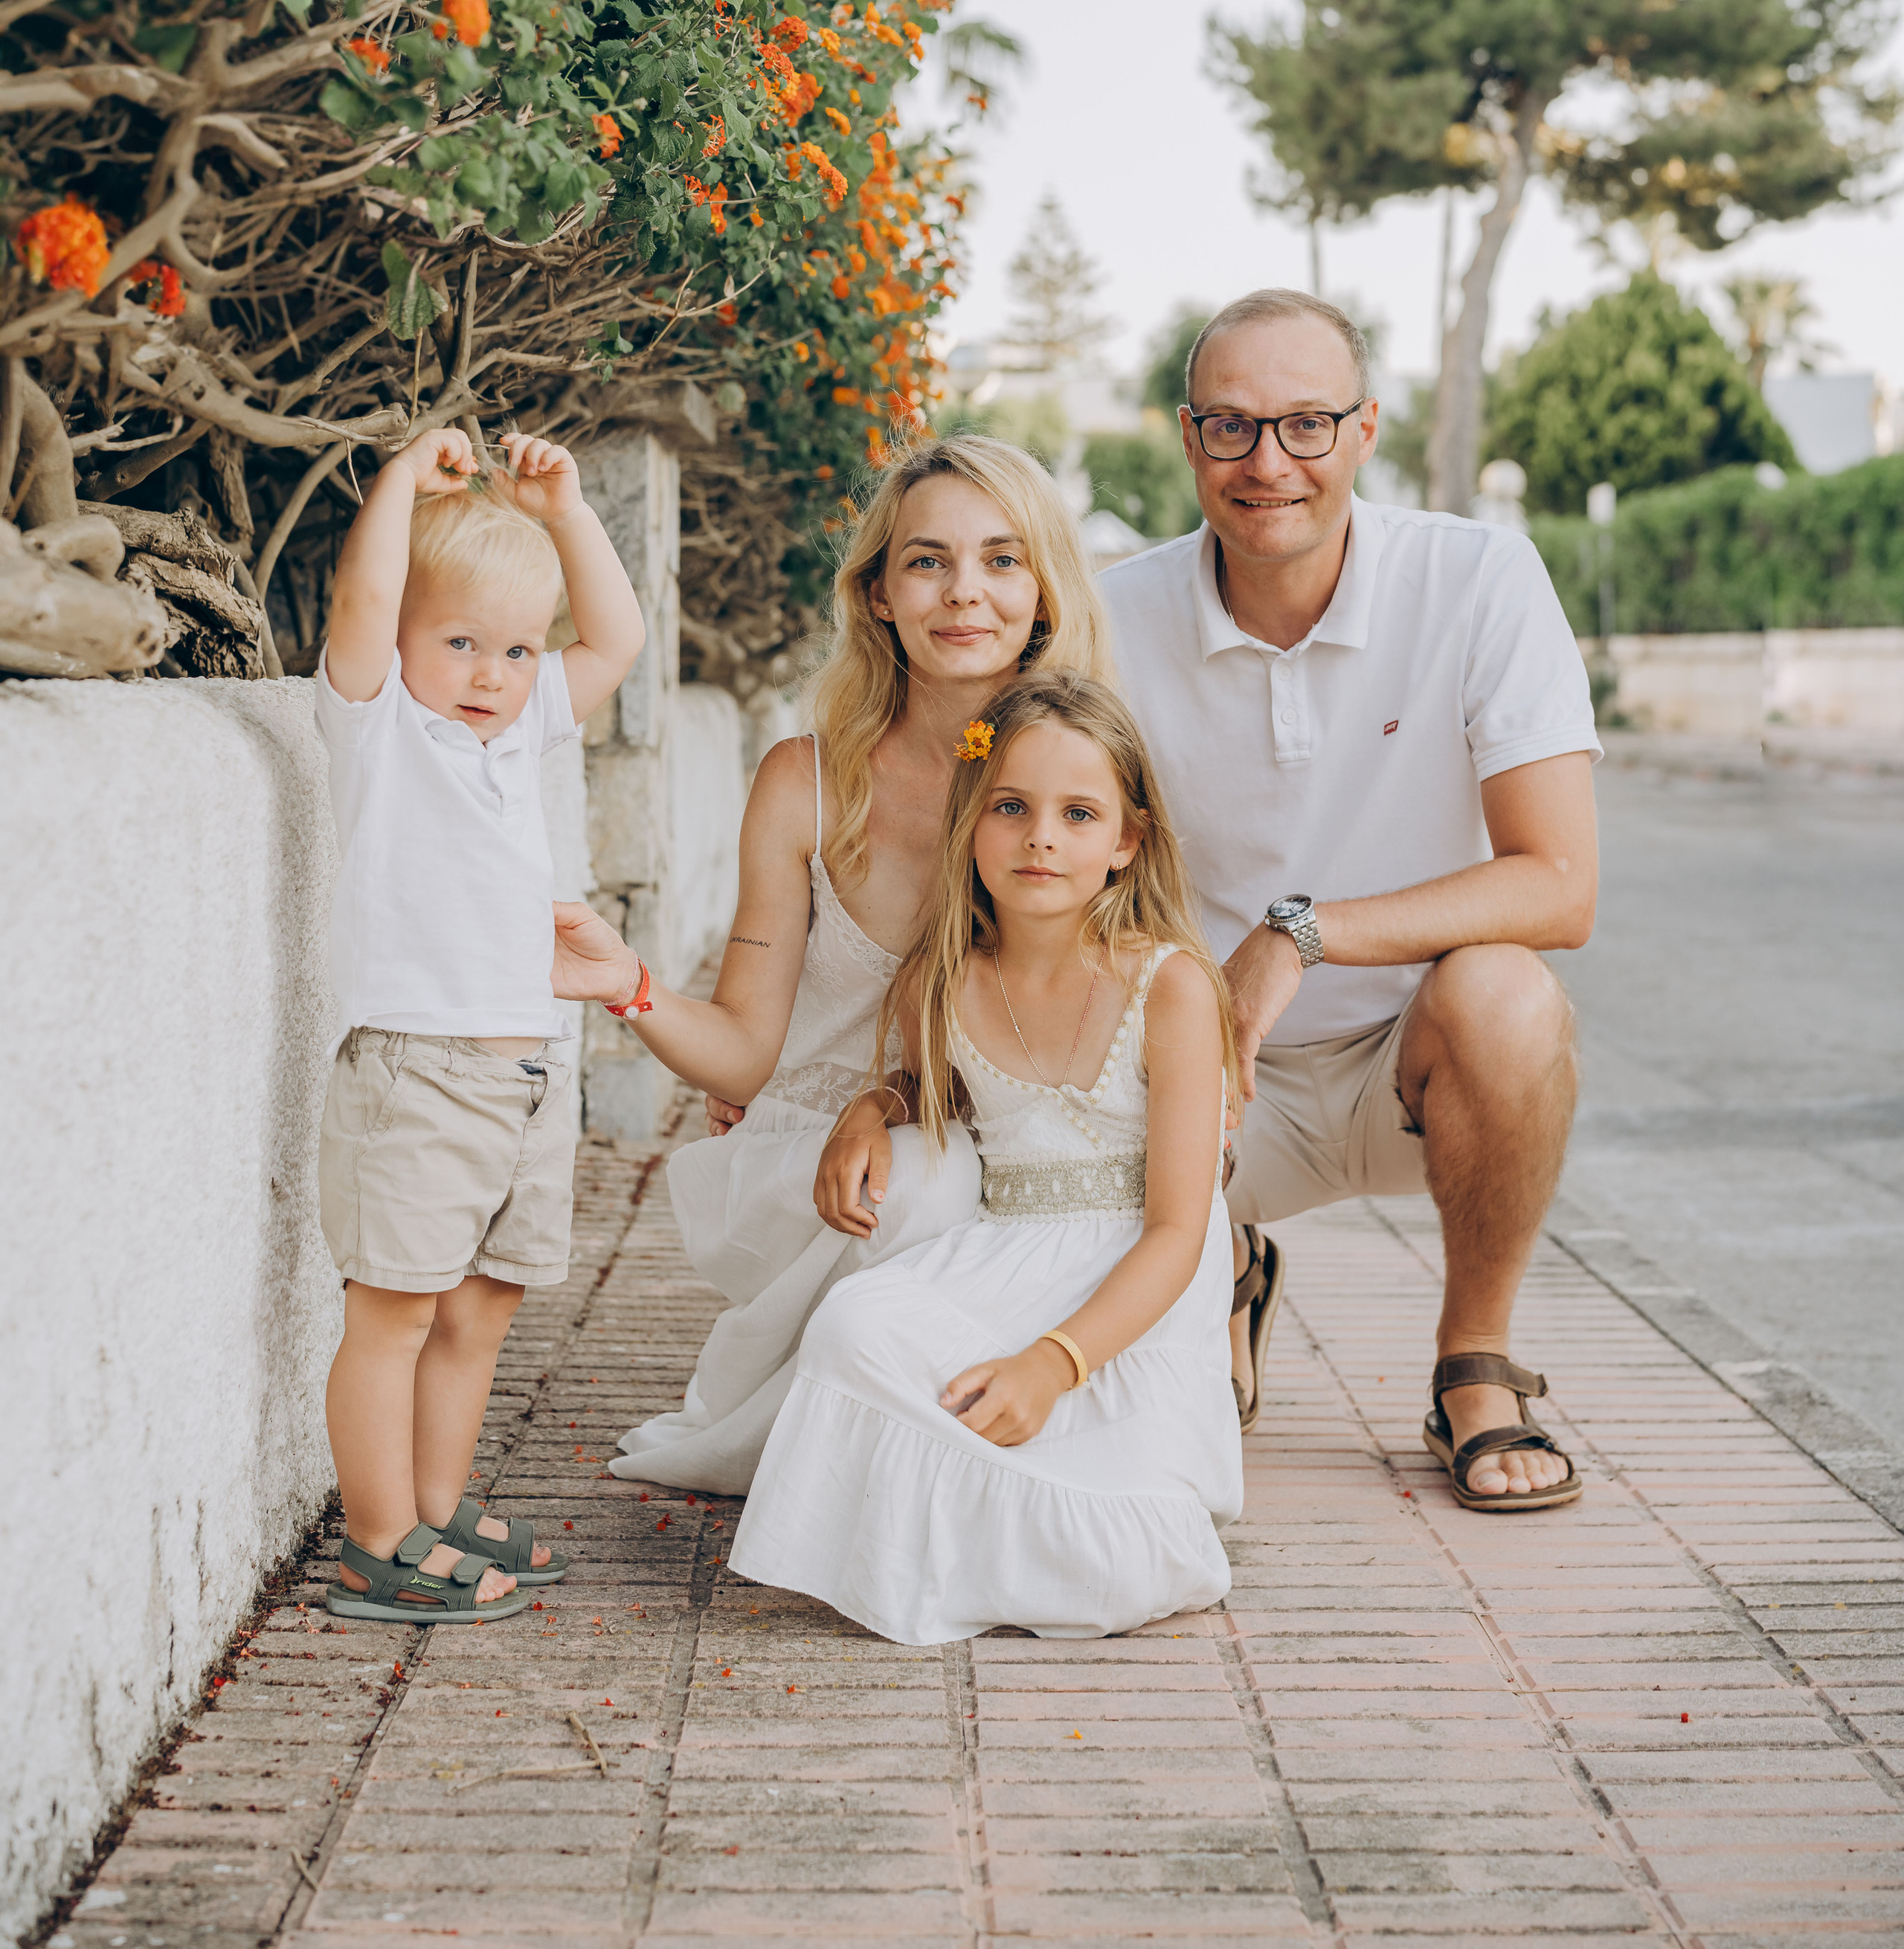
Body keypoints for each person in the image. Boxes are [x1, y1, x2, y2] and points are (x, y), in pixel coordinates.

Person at [1104, 287, 1600, 1513]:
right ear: (1188, 438)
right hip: (1206, 1071)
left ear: (1365, 432)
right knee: (1166, 1440)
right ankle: (1219, 1275)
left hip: (1413, 1065)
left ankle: (1473, 1366)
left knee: (1511, 992)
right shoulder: (1109, 617)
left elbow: (1562, 884)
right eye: (1230, 426)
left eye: (1306, 424)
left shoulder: (1479, 577)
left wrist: (1300, 934)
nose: (1267, 462)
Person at [551, 434, 1116, 1496]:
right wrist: (625, 982)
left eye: (1003, 560)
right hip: (830, 1164)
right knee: (929, 1183)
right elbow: (745, 1054)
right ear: (878, 596)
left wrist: (902, 1096)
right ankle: (858, 1447)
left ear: (1045, 592)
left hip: (1002, 1140)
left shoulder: (1080, 786)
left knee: (1004, 1183)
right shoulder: (805, 783)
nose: (966, 593)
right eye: (927, 561)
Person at [724, 671, 1243, 1643]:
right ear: (971, 823)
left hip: (1136, 1278)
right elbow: (934, 1092)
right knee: (853, 1328)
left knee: (1132, 1548)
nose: (1042, 837)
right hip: (1004, 1250)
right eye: (1011, 807)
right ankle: (974, 1517)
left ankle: (985, 1515)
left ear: (1126, 842)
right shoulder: (945, 977)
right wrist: (871, 1107)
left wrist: (1055, 1364)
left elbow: (1180, 1230)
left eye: (1079, 813)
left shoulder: (1170, 987)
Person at [314, 428, 645, 1621]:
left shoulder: (523, 734)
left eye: (513, 650)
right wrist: (400, 481)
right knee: (395, 1310)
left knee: (482, 1301)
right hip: (416, 1067)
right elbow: (363, 593)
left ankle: (437, 1507)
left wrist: (565, 511)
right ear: (404, 640)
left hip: (525, 1071)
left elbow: (617, 639)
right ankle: (376, 1539)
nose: (491, 672)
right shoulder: (382, 730)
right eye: (460, 642)